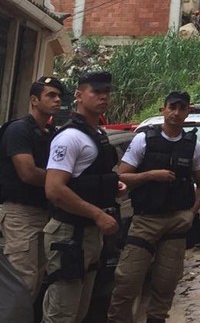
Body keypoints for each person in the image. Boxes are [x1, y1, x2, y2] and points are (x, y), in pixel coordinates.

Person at [107, 91, 200, 323]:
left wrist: (191, 214)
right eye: (172, 107)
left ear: (187, 112)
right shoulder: (144, 140)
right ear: (163, 109)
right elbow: (121, 177)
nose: (176, 112)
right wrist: (151, 175)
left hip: (176, 223)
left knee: (166, 284)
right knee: (127, 282)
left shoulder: (193, 146)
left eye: (181, 108)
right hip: (145, 220)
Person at [42, 71, 124, 323]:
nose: (103, 97)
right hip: (69, 234)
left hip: (89, 234)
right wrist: (97, 214)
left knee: (80, 313)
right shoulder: (69, 137)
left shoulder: (96, 134)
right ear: (78, 95)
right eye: (96, 92)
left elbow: (87, 180)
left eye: (106, 92)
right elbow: (54, 189)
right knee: (61, 314)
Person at [0, 76, 65, 298]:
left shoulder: (51, 134)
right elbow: (27, 173)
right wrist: (60, 181)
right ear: (34, 100)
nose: (57, 100)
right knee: (21, 282)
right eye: (51, 95)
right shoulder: (19, 130)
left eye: (59, 96)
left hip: (45, 212)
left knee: (36, 280)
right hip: (21, 214)